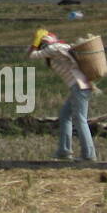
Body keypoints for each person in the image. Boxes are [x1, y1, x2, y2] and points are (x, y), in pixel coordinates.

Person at [28, 27, 96, 162]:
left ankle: (88, 155)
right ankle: (64, 151)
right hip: (80, 86)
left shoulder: (53, 49)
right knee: (65, 115)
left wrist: (35, 43)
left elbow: (31, 55)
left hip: (79, 87)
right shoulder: (61, 46)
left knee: (80, 119)